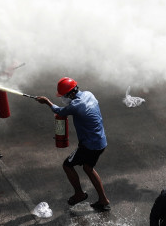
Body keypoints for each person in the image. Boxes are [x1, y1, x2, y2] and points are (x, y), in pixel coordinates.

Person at [35, 77, 110, 211]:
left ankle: (79, 194)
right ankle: (103, 199)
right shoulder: (89, 94)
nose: (62, 98)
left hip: (89, 145)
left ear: (70, 94)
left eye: (63, 96)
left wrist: (46, 101)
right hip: (101, 141)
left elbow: (59, 111)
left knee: (67, 165)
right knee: (88, 167)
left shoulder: (76, 105)